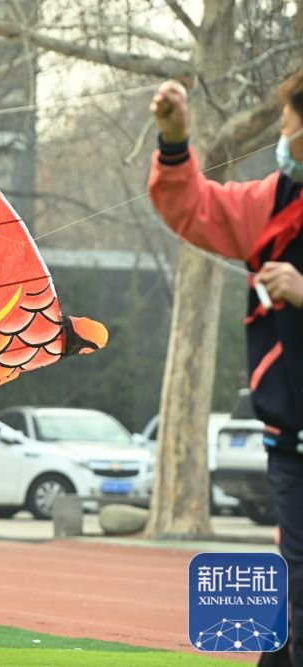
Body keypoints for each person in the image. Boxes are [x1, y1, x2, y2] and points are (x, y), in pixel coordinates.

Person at [148, 72, 303, 666]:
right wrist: (175, 142)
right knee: (293, 588)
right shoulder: (272, 200)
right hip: (291, 441)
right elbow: (196, 206)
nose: (281, 135)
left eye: (287, 123)